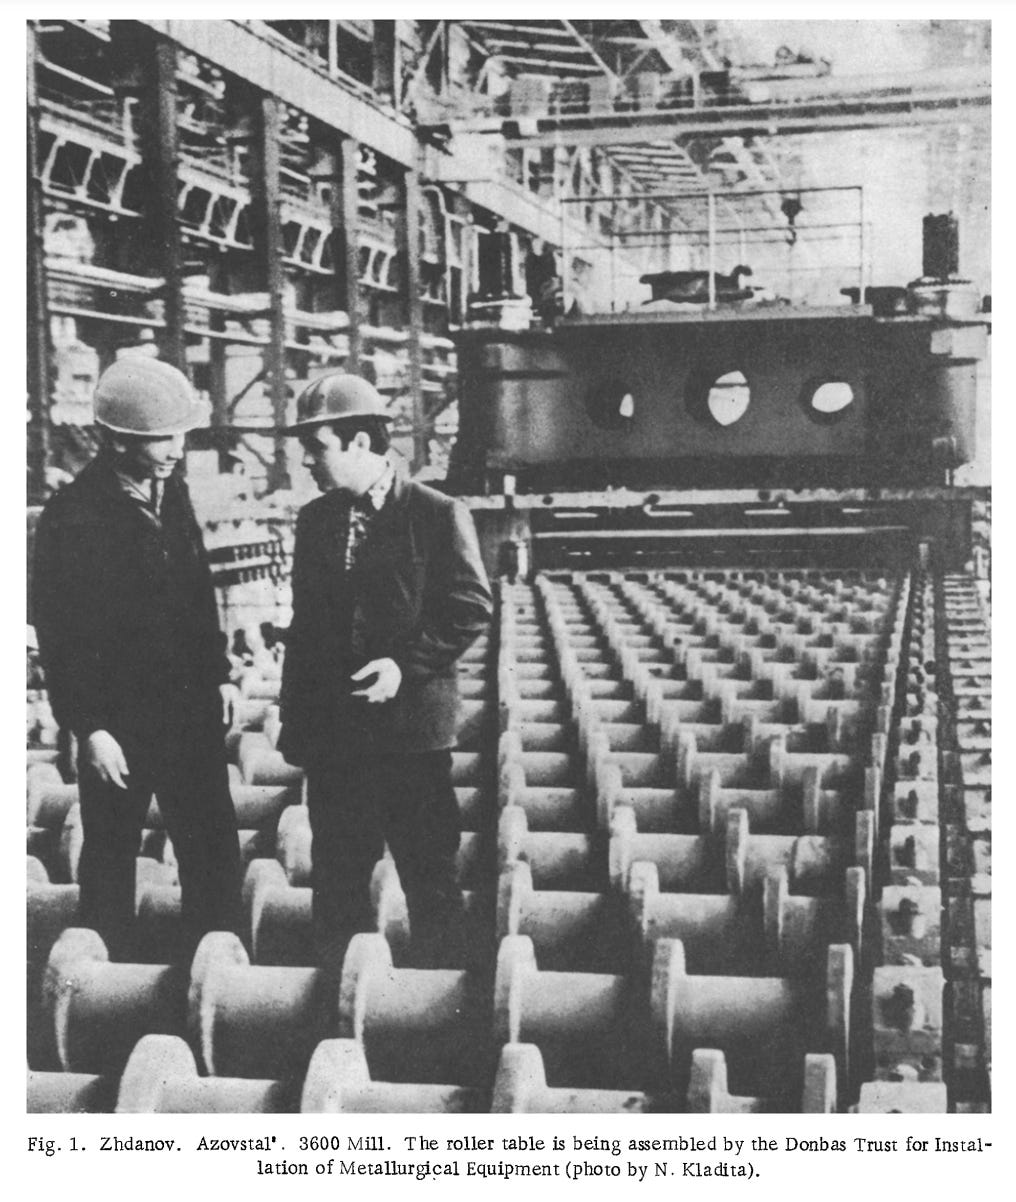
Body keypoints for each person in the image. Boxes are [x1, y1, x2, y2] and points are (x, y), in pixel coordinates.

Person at [277, 373, 492, 975]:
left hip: (410, 740)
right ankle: (340, 1004)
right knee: (337, 882)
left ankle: (435, 1005)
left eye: (316, 447)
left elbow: (470, 607)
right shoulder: (315, 520)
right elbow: (306, 627)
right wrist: (297, 723)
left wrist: (404, 666)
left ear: (360, 443)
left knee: (430, 879)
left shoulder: (436, 514)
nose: (306, 461)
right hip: (337, 741)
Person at [32, 356, 243, 962]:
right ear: (119, 441)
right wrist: (90, 727)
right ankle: (102, 985)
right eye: (162, 439)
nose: (177, 449)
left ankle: (215, 972)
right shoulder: (72, 516)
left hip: (190, 710)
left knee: (212, 847)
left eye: (180, 435)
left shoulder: (171, 493)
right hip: (118, 724)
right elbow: (59, 634)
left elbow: (198, 594)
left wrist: (221, 675)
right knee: (109, 854)